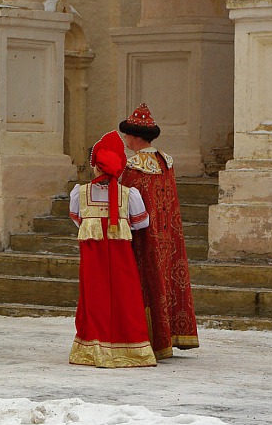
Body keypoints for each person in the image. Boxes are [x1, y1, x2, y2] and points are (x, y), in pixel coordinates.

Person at [68, 131, 157, 368]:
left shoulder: (81, 193)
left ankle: (93, 348)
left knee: (93, 300)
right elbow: (142, 223)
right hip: (122, 260)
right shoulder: (130, 195)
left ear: (95, 165)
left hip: (92, 261)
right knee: (126, 299)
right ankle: (131, 348)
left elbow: (77, 219)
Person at [119, 103, 199, 359]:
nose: (125, 140)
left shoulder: (134, 167)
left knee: (145, 283)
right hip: (168, 234)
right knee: (166, 280)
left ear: (134, 136)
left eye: (127, 136)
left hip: (143, 236)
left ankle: (150, 339)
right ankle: (170, 335)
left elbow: (127, 202)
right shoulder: (165, 161)